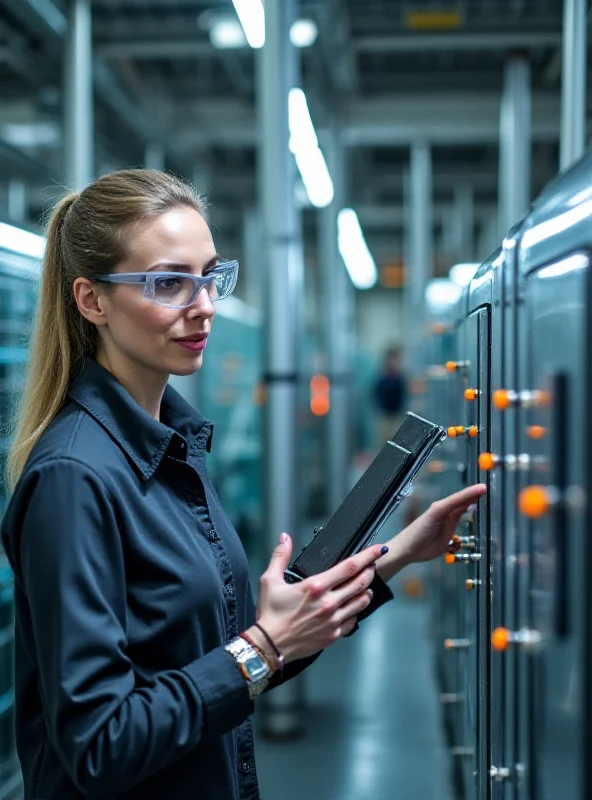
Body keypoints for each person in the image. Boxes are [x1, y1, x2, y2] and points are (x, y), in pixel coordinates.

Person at [0, 170, 485, 800]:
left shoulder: (173, 442)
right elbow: (101, 744)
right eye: (168, 283)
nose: (203, 305)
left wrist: (397, 554)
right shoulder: (75, 477)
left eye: (208, 277)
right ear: (92, 301)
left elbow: (229, 665)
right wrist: (262, 646)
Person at [374, 347, 406, 446]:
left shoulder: (400, 378)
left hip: (397, 416)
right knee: (384, 443)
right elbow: (375, 394)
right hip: (385, 415)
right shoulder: (382, 378)